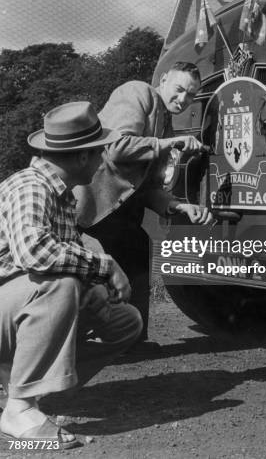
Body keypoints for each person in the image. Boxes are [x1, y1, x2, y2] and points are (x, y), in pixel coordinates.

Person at [0, 102, 143, 448]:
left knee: (125, 322)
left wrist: (89, 283)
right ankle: (18, 411)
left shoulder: (60, 195)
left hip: (9, 310)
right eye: (99, 152)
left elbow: (62, 257)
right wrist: (103, 266)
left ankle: (19, 390)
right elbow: (35, 252)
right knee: (58, 285)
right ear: (81, 157)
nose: (102, 162)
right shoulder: (30, 186)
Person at [75, 62, 212, 341]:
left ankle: (131, 338)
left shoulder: (165, 122)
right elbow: (116, 147)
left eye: (191, 95)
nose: (183, 99)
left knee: (137, 247)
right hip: (89, 208)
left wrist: (177, 206)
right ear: (163, 80)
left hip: (116, 211)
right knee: (99, 267)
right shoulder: (138, 92)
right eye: (179, 89)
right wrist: (169, 144)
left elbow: (146, 186)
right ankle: (105, 337)